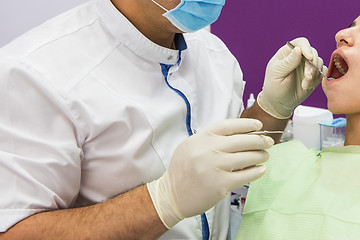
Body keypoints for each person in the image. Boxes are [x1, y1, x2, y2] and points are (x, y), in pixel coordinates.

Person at [0, 0, 325, 239]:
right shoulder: (34, 73)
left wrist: (271, 109)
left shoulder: (214, 54)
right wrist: (163, 201)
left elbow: (221, 167)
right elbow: (15, 231)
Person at [236, 15, 360, 240]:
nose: (341, 35)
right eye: (352, 27)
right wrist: (272, 107)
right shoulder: (287, 164)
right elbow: (230, 164)